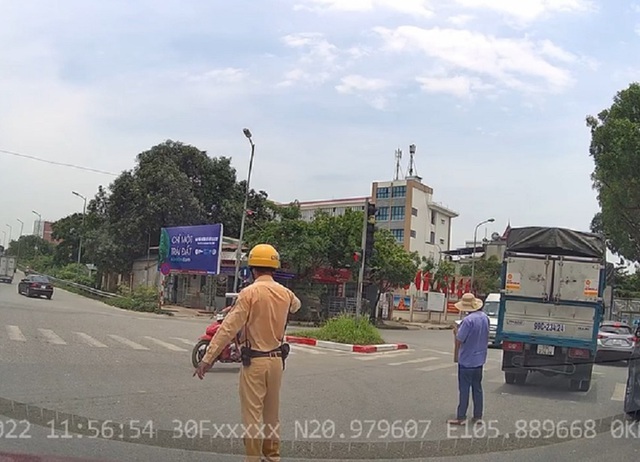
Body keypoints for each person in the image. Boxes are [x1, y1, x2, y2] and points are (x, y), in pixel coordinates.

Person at [194, 243, 301, 462]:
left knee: (252, 415)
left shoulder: (249, 293)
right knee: (272, 415)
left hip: (255, 362)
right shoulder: (285, 293)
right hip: (276, 362)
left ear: (253, 269)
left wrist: (208, 358)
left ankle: (253, 459)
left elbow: (228, 328)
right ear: (274, 268)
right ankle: (272, 457)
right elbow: (296, 306)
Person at [448, 293, 489, 426]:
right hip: (479, 359)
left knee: (464, 389)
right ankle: (478, 416)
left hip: (466, 360)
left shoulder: (468, 321)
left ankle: (461, 417)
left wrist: (456, 332)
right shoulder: (484, 318)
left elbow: (460, 339)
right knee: (477, 388)